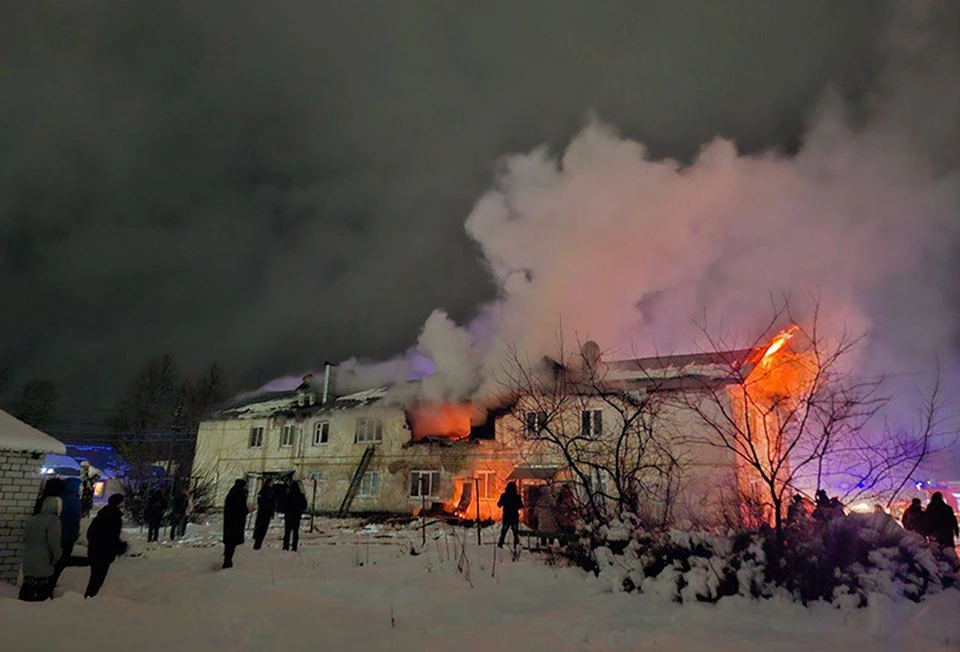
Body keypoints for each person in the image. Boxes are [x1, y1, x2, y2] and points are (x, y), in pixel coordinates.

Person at [84, 493, 127, 598]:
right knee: (99, 576)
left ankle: (89, 596)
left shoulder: (102, 515)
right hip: (104, 552)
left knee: (95, 575)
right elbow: (112, 536)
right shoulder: (114, 518)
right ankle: (91, 597)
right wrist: (118, 547)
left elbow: (90, 533)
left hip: (95, 550)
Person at [20, 496, 62, 601]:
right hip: (44, 556)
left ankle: (22, 603)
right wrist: (56, 557)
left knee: (28, 583)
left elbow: (25, 537)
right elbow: (54, 541)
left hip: (29, 556)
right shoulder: (54, 521)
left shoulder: (33, 519)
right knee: (42, 585)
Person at [51, 477, 83, 589]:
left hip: (57, 533)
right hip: (67, 535)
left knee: (54, 559)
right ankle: (50, 584)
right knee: (61, 561)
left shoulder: (60, 498)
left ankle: (48, 582)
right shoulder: (73, 501)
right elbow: (73, 519)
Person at [223, 479, 250, 569]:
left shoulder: (231, 493)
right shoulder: (240, 494)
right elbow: (241, 508)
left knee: (229, 542)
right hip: (236, 522)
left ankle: (227, 559)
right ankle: (228, 561)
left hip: (229, 521)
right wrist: (247, 510)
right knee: (232, 542)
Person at [497, 482, 524, 549]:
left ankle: (500, 543)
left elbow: (499, 505)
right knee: (515, 532)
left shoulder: (504, 496)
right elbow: (520, 506)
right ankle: (516, 544)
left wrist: (504, 503)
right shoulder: (517, 496)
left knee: (504, 531)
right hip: (514, 516)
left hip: (506, 516)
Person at [283, 481, 307, 552]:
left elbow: (284, 505)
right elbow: (304, 505)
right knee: (295, 532)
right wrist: (300, 510)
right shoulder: (301, 495)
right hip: (297, 516)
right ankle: (294, 547)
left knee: (287, 532)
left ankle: (286, 546)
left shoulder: (288, 495)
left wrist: (287, 511)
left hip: (288, 516)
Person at [252, 478, 275, 550]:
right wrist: (268, 510)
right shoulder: (266, 491)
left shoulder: (268, 491)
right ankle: (257, 544)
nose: (273, 484)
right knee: (262, 528)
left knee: (261, 528)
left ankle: (258, 543)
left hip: (264, 512)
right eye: (272, 482)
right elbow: (266, 502)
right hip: (264, 513)